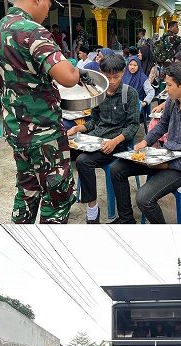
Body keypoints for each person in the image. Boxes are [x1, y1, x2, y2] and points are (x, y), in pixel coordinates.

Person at [0, 0, 95, 224]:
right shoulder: (33, 31)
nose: (48, 11)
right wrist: (77, 70)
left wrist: (17, 91)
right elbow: (68, 77)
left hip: (16, 133)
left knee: (27, 190)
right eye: (49, 4)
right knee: (57, 198)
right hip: (45, 134)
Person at [111, 62, 181, 224]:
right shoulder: (172, 101)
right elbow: (162, 125)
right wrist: (145, 142)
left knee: (144, 198)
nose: (166, 89)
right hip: (165, 156)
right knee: (117, 169)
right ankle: (127, 220)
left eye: (169, 85)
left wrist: (166, 165)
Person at [68, 54, 140, 224]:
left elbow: (133, 125)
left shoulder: (129, 94)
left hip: (117, 144)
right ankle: (75, 200)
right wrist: (78, 128)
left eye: (116, 77)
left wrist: (115, 141)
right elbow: (94, 121)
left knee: (83, 161)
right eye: (108, 77)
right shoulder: (98, 93)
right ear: (101, 73)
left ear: (123, 73)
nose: (112, 81)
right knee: (64, 150)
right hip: (97, 140)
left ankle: (93, 209)